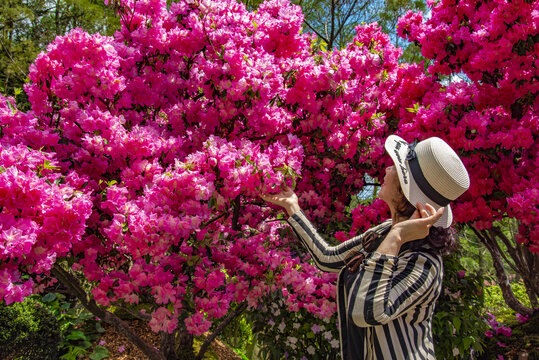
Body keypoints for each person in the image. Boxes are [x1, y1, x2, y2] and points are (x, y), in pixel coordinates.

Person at [260, 135, 470, 360]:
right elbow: (327, 258)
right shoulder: (385, 232)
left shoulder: (424, 263)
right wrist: (293, 208)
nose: (387, 168)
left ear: (405, 190)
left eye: (395, 167)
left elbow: (367, 312)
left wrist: (397, 236)